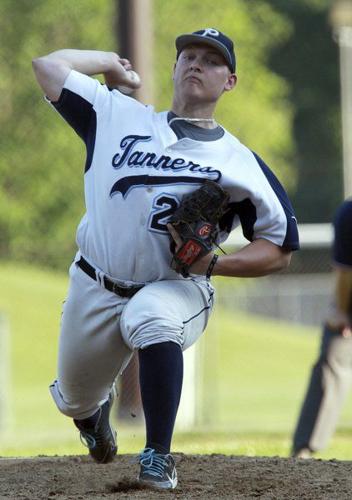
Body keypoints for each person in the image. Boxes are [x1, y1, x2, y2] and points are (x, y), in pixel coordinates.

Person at [32, 28, 299, 490]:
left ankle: (158, 455)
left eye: (211, 61)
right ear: (174, 68)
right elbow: (47, 67)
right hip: (95, 283)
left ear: (229, 81)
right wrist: (111, 64)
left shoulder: (240, 163)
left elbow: (277, 250)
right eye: (188, 56)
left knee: (151, 315)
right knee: (73, 400)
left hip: (175, 287)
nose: (196, 63)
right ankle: (93, 418)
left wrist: (213, 266)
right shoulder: (114, 115)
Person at [292, 199, 352, 459]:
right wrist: (341, 312)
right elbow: (346, 273)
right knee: (333, 359)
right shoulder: (349, 214)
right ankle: (304, 450)